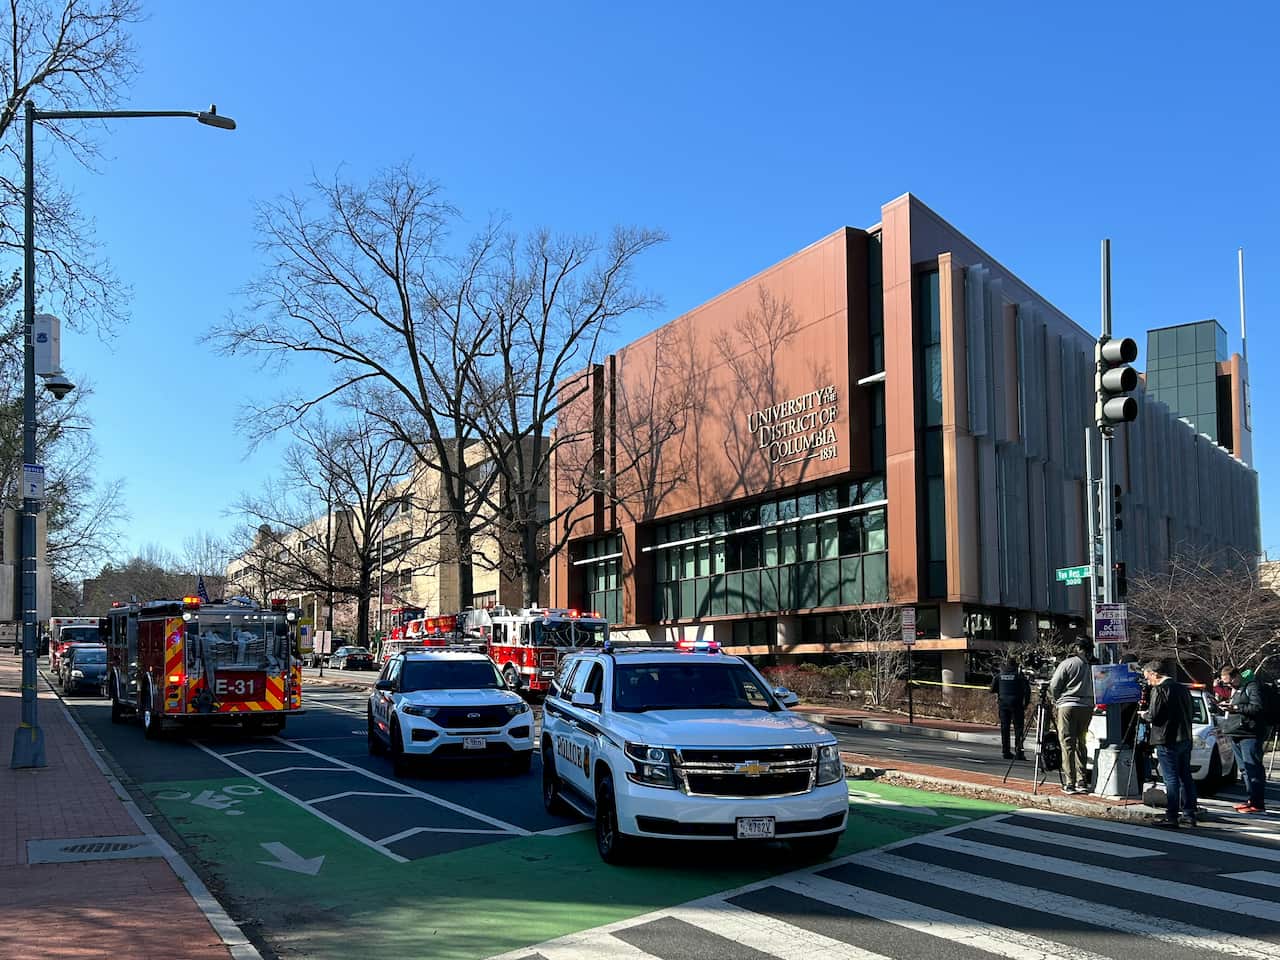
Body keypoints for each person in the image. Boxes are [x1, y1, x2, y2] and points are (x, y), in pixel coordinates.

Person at [1141, 659, 1197, 828]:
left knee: (1171, 779)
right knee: (1185, 777)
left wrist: (1144, 715)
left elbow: (1154, 715)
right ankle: (1189, 813)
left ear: (1154, 674)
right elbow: (1191, 711)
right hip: (1184, 737)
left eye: (1148, 678)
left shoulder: (1160, 690)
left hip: (1166, 738)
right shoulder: (1182, 688)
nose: (1148, 682)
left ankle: (1172, 815)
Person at [1219, 665, 1269, 814]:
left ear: (1236, 676)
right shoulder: (1237, 689)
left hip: (1250, 734)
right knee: (1244, 769)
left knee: (1253, 768)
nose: (1228, 685)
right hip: (1236, 733)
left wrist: (1235, 708)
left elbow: (1257, 707)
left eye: (1229, 682)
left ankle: (1258, 803)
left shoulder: (1251, 687)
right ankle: (1251, 799)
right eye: (1225, 683)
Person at [1048, 640, 1096, 794]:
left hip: (1067, 705)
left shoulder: (1068, 663)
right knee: (1081, 742)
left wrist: (1056, 699)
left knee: (1067, 743)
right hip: (1087, 706)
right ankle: (1082, 780)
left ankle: (1070, 782)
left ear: (1078, 647)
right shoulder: (1094, 665)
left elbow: (1054, 684)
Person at [990, 659, 1031, 760]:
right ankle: (1019, 752)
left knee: (1005, 728)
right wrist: (1026, 704)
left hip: (1003, 704)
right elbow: (1027, 690)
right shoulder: (1019, 675)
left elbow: (992, 689)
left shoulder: (1000, 675)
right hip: (1017, 704)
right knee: (1018, 728)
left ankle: (1006, 752)